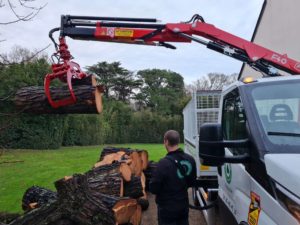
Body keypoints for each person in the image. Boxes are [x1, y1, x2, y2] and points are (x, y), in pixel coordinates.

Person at [149, 130, 196, 225]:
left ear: (166, 141)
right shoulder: (190, 160)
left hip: (167, 209)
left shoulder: (163, 164)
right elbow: (191, 182)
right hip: (183, 205)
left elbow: (153, 188)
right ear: (178, 141)